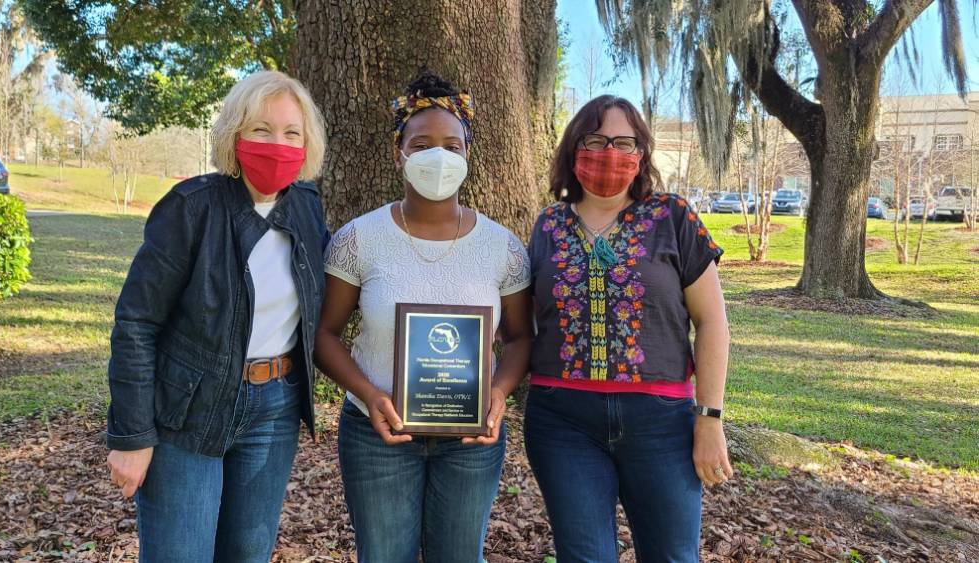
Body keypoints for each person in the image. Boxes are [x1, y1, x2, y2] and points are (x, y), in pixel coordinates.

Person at [104, 70, 330, 563]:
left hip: (274, 407)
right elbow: (136, 324)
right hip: (190, 408)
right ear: (235, 135)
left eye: (292, 133)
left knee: (248, 553)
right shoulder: (191, 208)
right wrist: (132, 436)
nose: (278, 145)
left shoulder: (308, 209)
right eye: (262, 130)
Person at [314, 70, 533, 563]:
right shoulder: (359, 238)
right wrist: (369, 395)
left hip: (472, 439)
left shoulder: (503, 248)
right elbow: (325, 334)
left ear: (468, 155)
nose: (438, 156)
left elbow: (520, 338)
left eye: (452, 146)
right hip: (377, 434)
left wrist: (496, 395)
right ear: (399, 154)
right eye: (422, 144)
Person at [524, 95, 732, 562]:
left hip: (661, 424)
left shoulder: (673, 216)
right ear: (573, 149)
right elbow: (521, 320)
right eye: (595, 140)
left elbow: (712, 321)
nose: (609, 151)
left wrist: (709, 418)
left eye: (623, 141)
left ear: (641, 152)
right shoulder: (548, 225)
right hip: (563, 422)